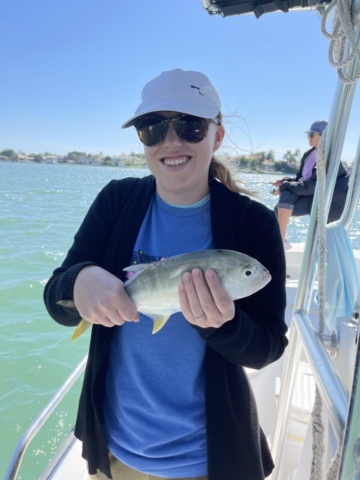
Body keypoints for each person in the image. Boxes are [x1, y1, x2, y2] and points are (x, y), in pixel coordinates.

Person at [44, 68, 288, 480]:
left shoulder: (254, 225)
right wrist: (80, 280)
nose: (171, 141)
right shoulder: (116, 201)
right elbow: (58, 300)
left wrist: (223, 325)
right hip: (113, 452)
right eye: (152, 128)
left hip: (210, 462)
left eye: (191, 126)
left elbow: (267, 348)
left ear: (217, 135)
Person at [271, 120, 349, 250]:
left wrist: (284, 187)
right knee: (278, 209)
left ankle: (281, 241)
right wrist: (284, 181)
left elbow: (312, 186)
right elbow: (300, 178)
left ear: (323, 137)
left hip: (327, 204)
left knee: (285, 196)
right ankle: (280, 241)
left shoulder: (329, 158)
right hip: (312, 197)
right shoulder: (309, 155)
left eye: (312, 134)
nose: (308, 137)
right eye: (308, 134)